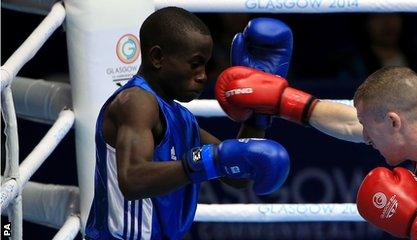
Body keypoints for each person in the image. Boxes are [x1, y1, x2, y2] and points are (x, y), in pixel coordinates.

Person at [215, 66, 417, 239]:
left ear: (393, 122)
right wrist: (286, 102)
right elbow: (351, 124)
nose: (364, 135)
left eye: (368, 125)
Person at [85, 7, 293, 239]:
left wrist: (258, 113)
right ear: (157, 58)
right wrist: (202, 162)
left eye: (205, 64)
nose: (203, 75)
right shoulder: (136, 102)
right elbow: (133, 180)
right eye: (195, 64)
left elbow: (237, 174)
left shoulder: (182, 118)